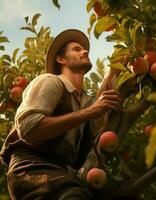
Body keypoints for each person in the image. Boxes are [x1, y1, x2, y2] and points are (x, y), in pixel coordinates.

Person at [0, 29, 121, 199]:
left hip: (64, 173)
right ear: (61, 59)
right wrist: (90, 112)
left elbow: (101, 116)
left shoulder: (85, 101)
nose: (85, 51)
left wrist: (114, 70)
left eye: (84, 49)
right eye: (76, 49)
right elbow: (28, 127)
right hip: (32, 168)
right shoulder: (51, 81)